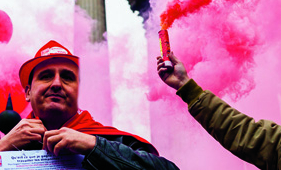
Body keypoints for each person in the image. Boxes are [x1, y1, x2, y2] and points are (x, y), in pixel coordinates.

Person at [0, 40, 179, 170]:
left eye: (67, 78)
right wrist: (2, 148)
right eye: (46, 76)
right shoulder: (9, 144)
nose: (56, 84)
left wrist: (94, 146)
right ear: (28, 92)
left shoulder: (113, 140)